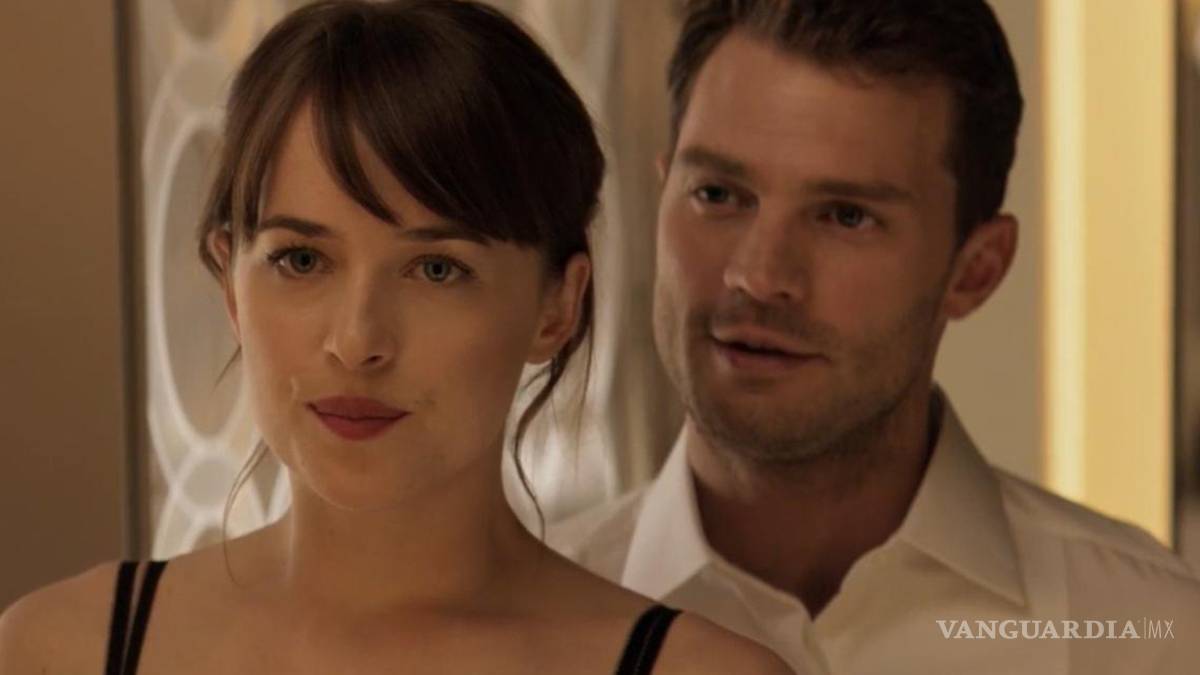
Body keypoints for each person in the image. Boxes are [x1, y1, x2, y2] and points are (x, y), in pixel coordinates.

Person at [0, 2, 796, 674]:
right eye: (301, 259)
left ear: (558, 304)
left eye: (437, 269)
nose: (358, 342)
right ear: (230, 285)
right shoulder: (59, 651)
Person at [551, 1, 1200, 673]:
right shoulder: (508, 635)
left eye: (845, 216)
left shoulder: (1153, 640)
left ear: (975, 271)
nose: (759, 275)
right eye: (718, 194)